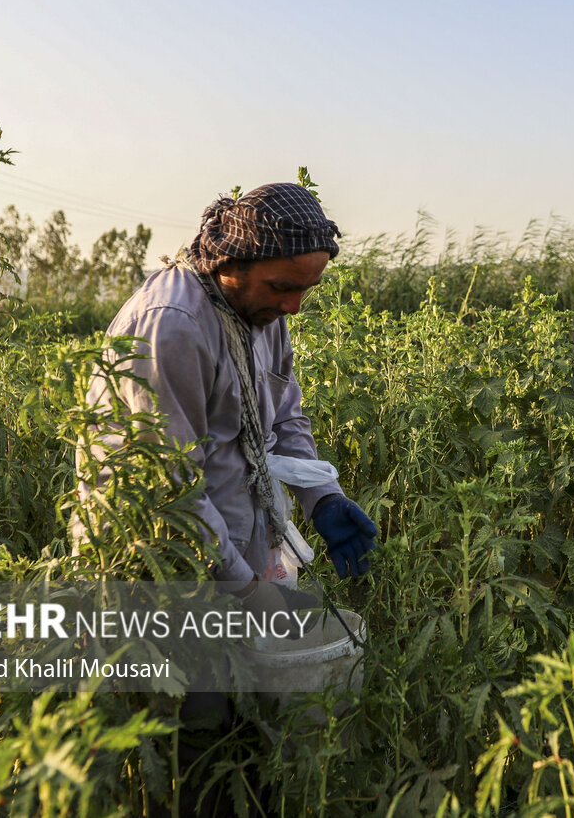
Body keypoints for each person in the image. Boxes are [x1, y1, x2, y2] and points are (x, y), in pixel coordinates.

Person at [80, 180, 378, 627]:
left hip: (232, 546)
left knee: (246, 687)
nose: (294, 306)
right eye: (282, 286)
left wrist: (322, 497)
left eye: (306, 289)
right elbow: (172, 485)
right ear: (231, 263)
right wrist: (248, 591)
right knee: (187, 686)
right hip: (160, 557)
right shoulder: (172, 327)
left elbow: (286, 415)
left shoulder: (263, 312)